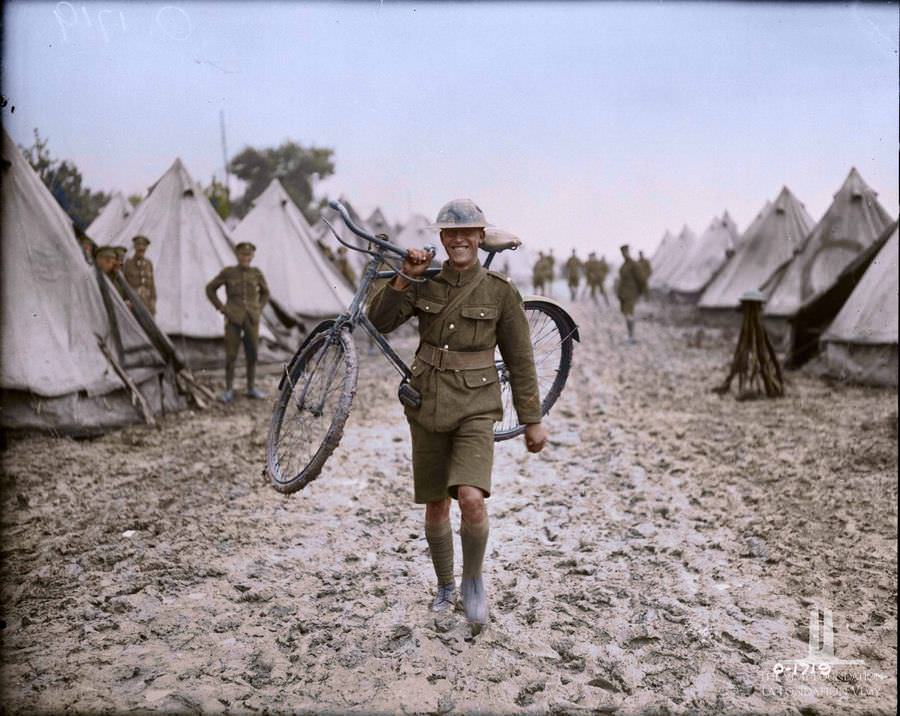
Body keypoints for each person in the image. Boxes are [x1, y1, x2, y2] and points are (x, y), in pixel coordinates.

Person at [367, 198, 548, 633]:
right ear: (443, 240)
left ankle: (472, 580)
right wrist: (404, 278)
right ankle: (444, 585)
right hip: (426, 403)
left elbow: (521, 360)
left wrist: (533, 419)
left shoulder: (500, 292)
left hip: (476, 407)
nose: (460, 239)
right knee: (435, 504)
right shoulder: (425, 283)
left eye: (468, 232)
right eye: (451, 233)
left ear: (481, 237)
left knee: (470, 497)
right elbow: (379, 320)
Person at [205, 242, 270, 402]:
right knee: (231, 354)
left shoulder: (257, 273)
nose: (245, 258)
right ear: (237, 256)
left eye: (248, 256)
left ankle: (251, 388)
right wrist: (221, 307)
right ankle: (228, 390)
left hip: (251, 319)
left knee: (252, 353)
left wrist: (258, 308)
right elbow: (210, 288)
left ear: (252, 257)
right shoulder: (229, 272)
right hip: (233, 317)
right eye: (242, 255)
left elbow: (266, 293)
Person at [616, 244, 647, 344]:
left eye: (626, 252)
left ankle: (631, 337)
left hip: (631, 293)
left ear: (629, 252)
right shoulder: (624, 265)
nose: (625, 254)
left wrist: (641, 293)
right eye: (623, 253)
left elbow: (642, 279)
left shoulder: (634, 264)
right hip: (623, 294)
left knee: (629, 314)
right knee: (626, 314)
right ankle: (630, 335)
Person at [123, 235, 157, 316]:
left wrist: (153, 300)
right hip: (133, 302)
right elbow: (123, 284)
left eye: (143, 249)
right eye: (139, 249)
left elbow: (152, 284)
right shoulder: (128, 263)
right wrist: (126, 300)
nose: (141, 250)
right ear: (135, 247)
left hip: (147, 303)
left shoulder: (149, 263)